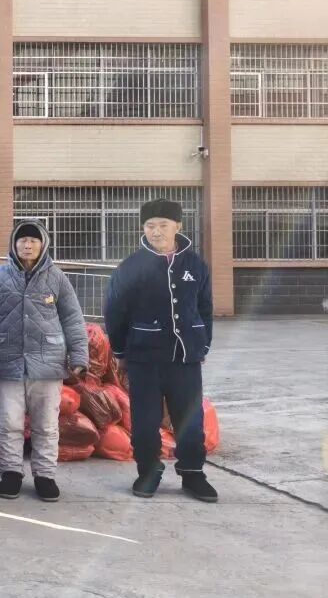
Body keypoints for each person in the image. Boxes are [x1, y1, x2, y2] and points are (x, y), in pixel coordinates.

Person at [104, 198, 216, 503]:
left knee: (190, 421)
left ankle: (193, 474)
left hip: (185, 359)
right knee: (145, 422)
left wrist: (203, 343)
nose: (156, 231)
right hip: (145, 359)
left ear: (178, 226)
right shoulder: (131, 266)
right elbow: (114, 312)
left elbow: (205, 308)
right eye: (150, 226)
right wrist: (120, 351)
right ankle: (148, 471)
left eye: (163, 225)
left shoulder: (195, 265)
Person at [0, 220, 88, 502]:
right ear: (14, 244)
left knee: (46, 425)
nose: (28, 245)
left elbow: (72, 319)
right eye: (22, 240)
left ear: (43, 244)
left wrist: (79, 355)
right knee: (9, 422)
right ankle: (11, 473)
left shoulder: (57, 278)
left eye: (34, 240)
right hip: (7, 361)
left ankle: (45, 475)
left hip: (48, 363)